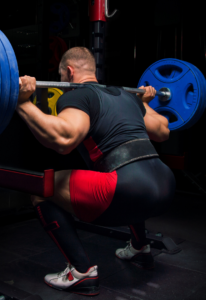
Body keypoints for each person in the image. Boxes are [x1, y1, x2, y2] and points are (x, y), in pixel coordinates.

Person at [15, 47, 176, 296]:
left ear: (69, 72)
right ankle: (140, 248)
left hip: (126, 189)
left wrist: (23, 103)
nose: (61, 82)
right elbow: (163, 130)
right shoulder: (126, 96)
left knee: (41, 188)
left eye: (60, 77)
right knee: (128, 175)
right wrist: (145, 104)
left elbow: (64, 139)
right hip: (165, 185)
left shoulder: (77, 95)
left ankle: (80, 272)